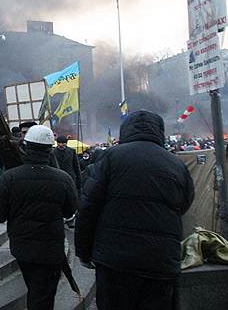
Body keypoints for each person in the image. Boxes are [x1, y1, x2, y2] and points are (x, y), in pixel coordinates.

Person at [75, 111, 195, 310]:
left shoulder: (111, 158)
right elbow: (184, 203)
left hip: (115, 260)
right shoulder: (176, 164)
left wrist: (84, 252)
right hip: (160, 260)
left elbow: (88, 208)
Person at [0, 125, 78, 310]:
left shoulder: (8, 178)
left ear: (26, 146)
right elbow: (70, 211)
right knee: (43, 296)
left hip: (22, 247)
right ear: (50, 149)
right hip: (51, 248)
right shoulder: (63, 179)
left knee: (35, 289)